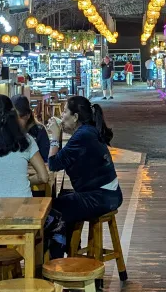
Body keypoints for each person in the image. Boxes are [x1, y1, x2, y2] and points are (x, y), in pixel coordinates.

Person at [45, 96, 122, 258]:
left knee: (51, 210)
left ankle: (58, 260)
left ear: (75, 117)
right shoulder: (87, 131)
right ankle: (71, 251)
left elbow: (53, 164)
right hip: (108, 193)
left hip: (102, 197)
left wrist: (54, 136)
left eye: (65, 111)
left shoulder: (83, 136)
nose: (62, 115)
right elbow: (62, 160)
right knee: (64, 197)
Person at [11, 94, 50, 161]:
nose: (15, 123)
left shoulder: (39, 131)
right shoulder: (5, 130)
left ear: (28, 115)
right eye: (12, 119)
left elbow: (45, 158)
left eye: (19, 118)